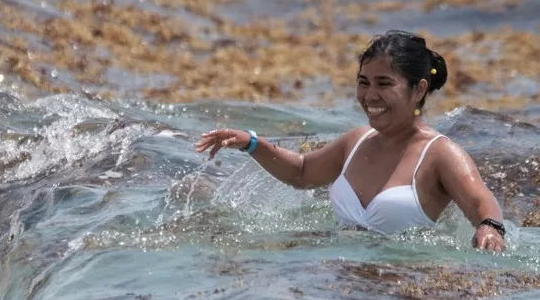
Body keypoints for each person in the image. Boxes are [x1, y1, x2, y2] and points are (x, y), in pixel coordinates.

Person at [194, 30, 506, 251]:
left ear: (419, 89)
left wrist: (490, 227)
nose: (370, 95)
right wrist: (251, 142)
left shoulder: (439, 154)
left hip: (407, 293)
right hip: (341, 288)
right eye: (363, 82)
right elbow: (302, 173)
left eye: (384, 84)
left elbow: (480, 200)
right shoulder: (357, 141)